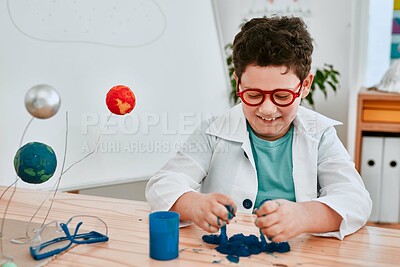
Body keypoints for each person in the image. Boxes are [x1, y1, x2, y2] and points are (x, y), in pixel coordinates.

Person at [145, 16, 372, 241]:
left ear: (305, 86)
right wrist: (195, 204)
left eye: (282, 96)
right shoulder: (213, 132)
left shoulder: (320, 134)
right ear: (238, 83)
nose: (267, 109)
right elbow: (162, 185)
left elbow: (355, 199)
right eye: (253, 95)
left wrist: (304, 215)